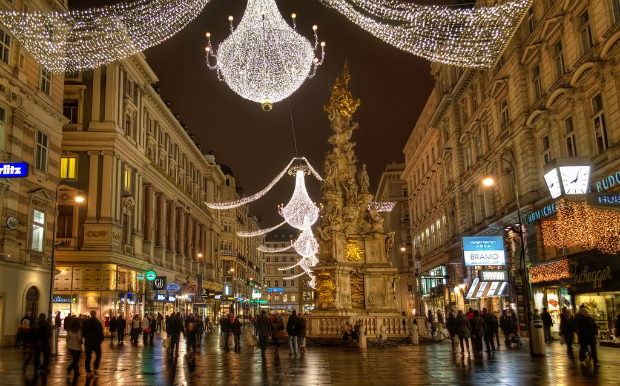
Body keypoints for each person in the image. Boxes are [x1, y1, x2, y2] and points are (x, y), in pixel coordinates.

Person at [82, 310, 104, 377]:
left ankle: (88, 372)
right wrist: (101, 339)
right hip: (96, 342)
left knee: (88, 357)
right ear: (95, 314)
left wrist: (85, 337)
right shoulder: (98, 323)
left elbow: (83, 331)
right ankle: (95, 368)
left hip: (88, 341)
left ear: (90, 314)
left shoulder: (86, 322)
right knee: (98, 355)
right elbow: (100, 332)